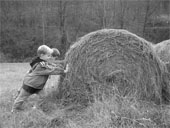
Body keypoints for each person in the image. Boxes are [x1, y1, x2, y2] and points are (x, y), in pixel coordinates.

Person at [11, 45, 67, 112]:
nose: (49, 57)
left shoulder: (43, 62)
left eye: (50, 56)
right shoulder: (40, 65)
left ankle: (36, 108)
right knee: (21, 98)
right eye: (48, 56)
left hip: (38, 86)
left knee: (43, 96)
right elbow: (51, 70)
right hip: (30, 85)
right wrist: (63, 71)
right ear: (42, 55)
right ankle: (15, 109)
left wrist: (62, 65)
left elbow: (52, 66)